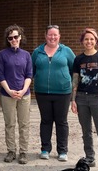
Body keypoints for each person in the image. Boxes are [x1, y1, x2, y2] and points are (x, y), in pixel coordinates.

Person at [71, 27, 98, 171]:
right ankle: (90, 158)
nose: (89, 41)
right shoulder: (78, 59)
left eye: (92, 39)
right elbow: (75, 81)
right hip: (81, 98)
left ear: (96, 41)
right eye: (86, 39)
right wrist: (73, 100)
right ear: (82, 41)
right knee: (86, 131)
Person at [32, 25, 75, 161]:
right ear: (45, 36)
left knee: (61, 121)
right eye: (50, 35)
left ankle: (62, 151)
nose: (52, 37)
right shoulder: (37, 52)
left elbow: (74, 70)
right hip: (42, 92)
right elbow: (31, 70)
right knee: (46, 121)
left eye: (55, 35)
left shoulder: (66, 51)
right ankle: (45, 149)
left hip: (63, 93)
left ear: (59, 36)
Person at [0, 25, 33, 165]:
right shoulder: (2, 54)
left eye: (16, 37)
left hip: (24, 94)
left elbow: (29, 74)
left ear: (20, 37)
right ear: (8, 39)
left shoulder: (26, 55)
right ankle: (11, 150)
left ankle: (23, 152)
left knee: (24, 124)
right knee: (10, 124)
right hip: (7, 94)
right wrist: (9, 91)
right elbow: (0, 74)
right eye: (10, 38)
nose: (13, 40)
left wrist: (23, 90)